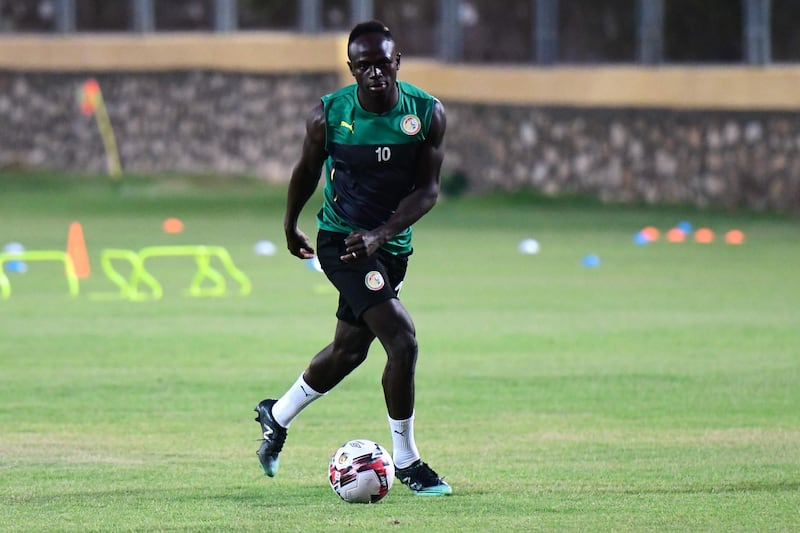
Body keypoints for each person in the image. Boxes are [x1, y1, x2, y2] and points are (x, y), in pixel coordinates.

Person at [253, 20, 451, 496]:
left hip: (390, 247)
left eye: (383, 63)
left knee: (348, 352)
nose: (375, 74)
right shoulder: (329, 115)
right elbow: (305, 170)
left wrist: (383, 235)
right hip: (341, 242)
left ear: (397, 61)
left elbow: (428, 190)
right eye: (364, 66)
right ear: (351, 68)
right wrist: (289, 224)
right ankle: (406, 462)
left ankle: (275, 416)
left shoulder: (426, 114)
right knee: (402, 342)